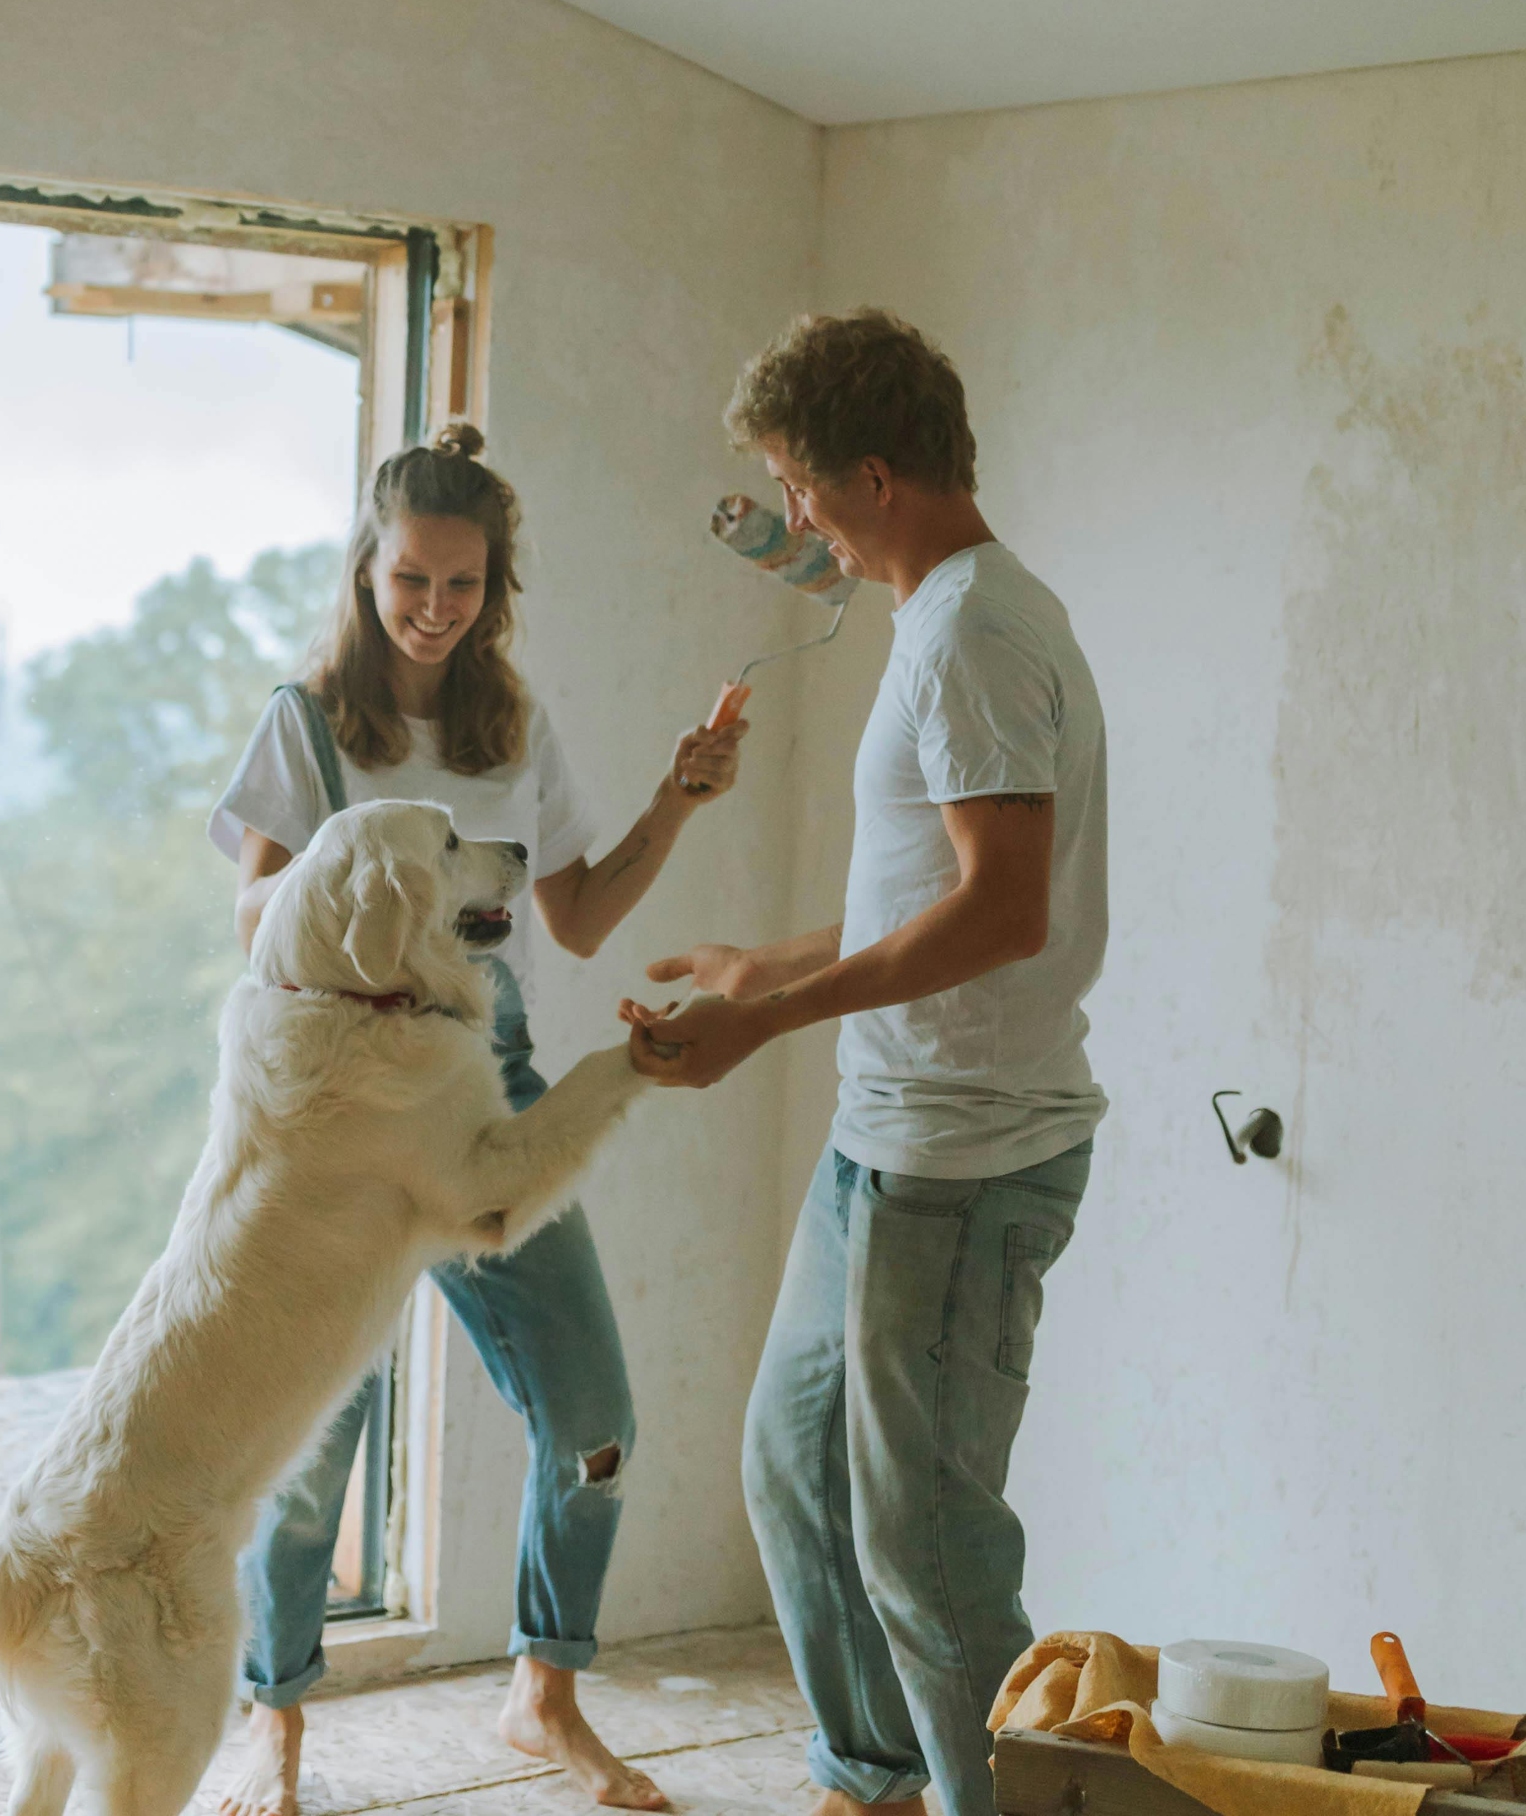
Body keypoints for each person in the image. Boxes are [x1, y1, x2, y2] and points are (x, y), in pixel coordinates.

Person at [207, 422, 746, 1816]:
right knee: (316, 1441)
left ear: (493, 586)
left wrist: (676, 805)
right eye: (411, 581)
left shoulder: (515, 726)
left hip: (488, 1080)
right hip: (343, 1102)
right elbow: (254, 921)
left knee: (595, 1419)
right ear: (368, 573)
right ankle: (274, 1722)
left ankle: (541, 1695)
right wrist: (374, 871)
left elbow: (573, 922)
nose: (435, 608)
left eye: (463, 584)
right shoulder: (306, 723)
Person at [624, 310, 1109, 1816]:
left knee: (932, 1551)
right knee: (794, 1468)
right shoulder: (948, 617)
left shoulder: (974, 628)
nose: (795, 519)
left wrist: (768, 1025)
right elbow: (935, 893)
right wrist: (768, 965)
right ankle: (875, 1782)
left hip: (963, 1164)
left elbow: (1006, 912)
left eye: (799, 485)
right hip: (885, 1145)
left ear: (877, 476)